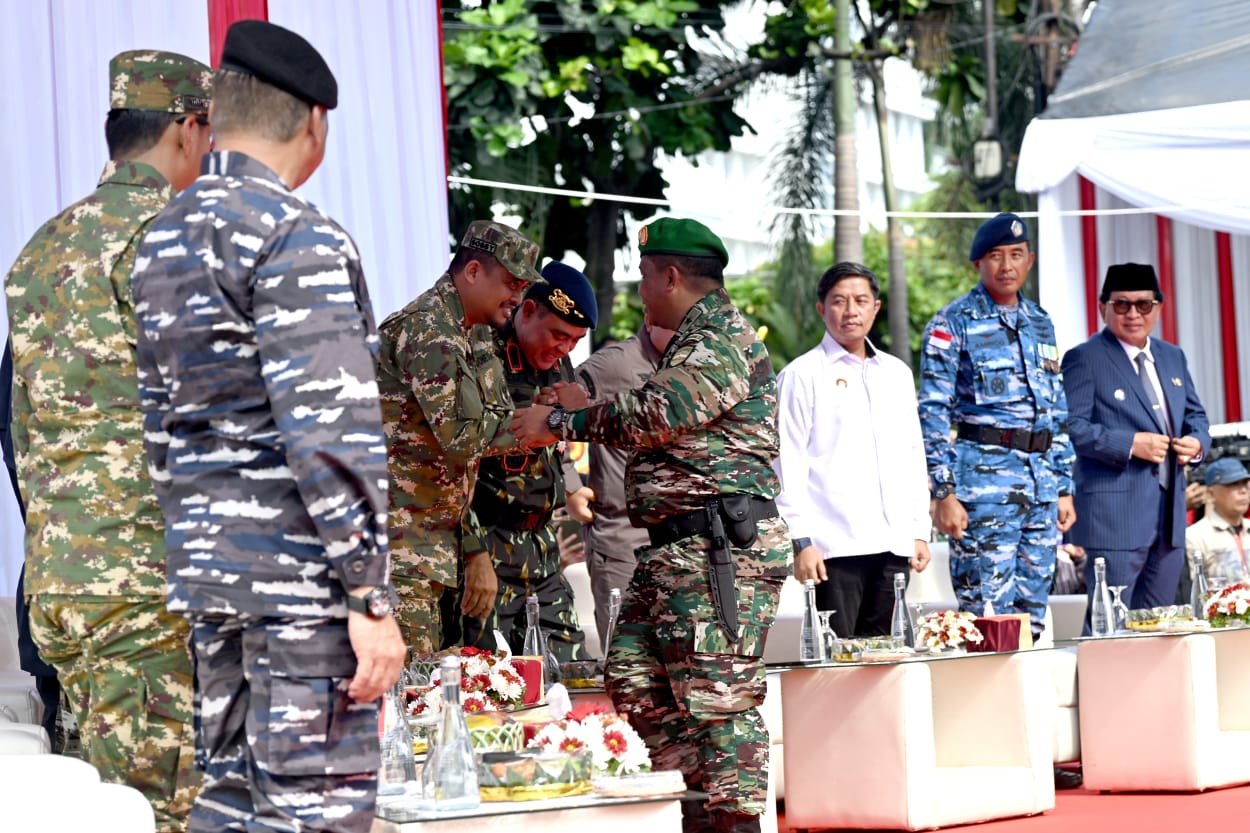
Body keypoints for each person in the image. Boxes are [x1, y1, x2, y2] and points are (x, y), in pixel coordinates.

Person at [131, 22, 405, 832]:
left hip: (213, 582)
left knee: (230, 803)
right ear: (314, 122)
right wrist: (370, 594)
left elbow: (159, 425)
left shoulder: (162, 238)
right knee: (312, 813)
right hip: (302, 592)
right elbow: (331, 431)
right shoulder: (296, 235)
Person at [511, 217, 788, 833]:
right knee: (633, 676)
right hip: (672, 547)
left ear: (670, 276)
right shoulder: (690, 339)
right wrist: (580, 404)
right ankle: (695, 809)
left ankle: (735, 822)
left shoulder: (720, 338)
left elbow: (660, 412)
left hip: (718, 547)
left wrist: (561, 424)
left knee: (719, 701)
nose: (640, 291)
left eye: (643, 277)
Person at [4, 49, 212, 829]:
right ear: (187, 129)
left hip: (59, 580)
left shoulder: (40, 251)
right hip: (143, 588)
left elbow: (21, 422)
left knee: (92, 808)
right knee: (157, 812)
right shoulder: (169, 237)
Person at [377, 220, 540, 654]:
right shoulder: (428, 329)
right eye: (511, 283)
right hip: (401, 554)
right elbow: (462, 439)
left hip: (437, 551)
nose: (518, 297)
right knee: (408, 688)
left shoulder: (475, 332)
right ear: (472, 271)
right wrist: (541, 425)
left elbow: (483, 435)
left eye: (524, 286)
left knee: (443, 684)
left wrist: (472, 548)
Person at [919, 213, 1076, 641]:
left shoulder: (1040, 321)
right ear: (978, 263)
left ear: (1030, 261)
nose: (1007, 266)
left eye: (1016, 255)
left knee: (1034, 615)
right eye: (995, 256)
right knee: (987, 616)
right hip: (983, 491)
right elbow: (932, 411)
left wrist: (1063, 485)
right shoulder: (953, 322)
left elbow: (1055, 407)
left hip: (1040, 489)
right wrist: (943, 493)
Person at [776, 262, 931, 638]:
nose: (851, 311)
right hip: (834, 550)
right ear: (821, 308)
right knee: (837, 660)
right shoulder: (801, 375)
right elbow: (786, 464)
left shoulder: (896, 373)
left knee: (889, 657)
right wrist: (801, 541)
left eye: (861, 301)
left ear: (876, 308)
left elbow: (913, 455)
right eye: (839, 301)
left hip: (894, 545)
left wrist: (919, 530)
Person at [461, 262, 597, 660]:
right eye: (558, 335)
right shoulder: (481, 355)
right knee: (494, 678)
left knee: (570, 671)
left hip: (541, 548)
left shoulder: (557, 362)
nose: (564, 349)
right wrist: (473, 553)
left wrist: (571, 486)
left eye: (575, 341)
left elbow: (554, 434)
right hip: (488, 543)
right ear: (528, 310)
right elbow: (456, 461)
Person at [1062, 263, 1209, 617]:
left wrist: (1197, 443)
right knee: (1109, 625)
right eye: (1122, 304)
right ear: (1103, 308)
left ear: (1158, 307)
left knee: (1159, 623)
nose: (1133, 314)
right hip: (1115, 519)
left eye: (1143, 304)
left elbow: (1196, 416)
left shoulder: (1172, 356)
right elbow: (1070, 427)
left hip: (1170, 517)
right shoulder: (1085, 359)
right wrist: (1129, 444)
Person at [565, 316, 676, 645]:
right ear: (651, 317)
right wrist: (569, 483)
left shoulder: (697, 364)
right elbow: (547, 407)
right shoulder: (614, 365)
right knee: (628, 656)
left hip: (686, 543)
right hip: (624, 541)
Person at [1179, 458, 1250, 604]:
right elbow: (1192, 592)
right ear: (1210, 493)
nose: (1243, 490)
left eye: (1245, 483)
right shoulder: (1194, 536)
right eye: (1232, 484)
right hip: (1220, 614)